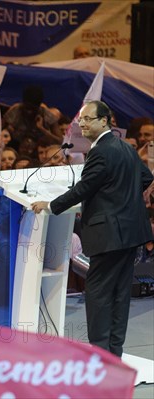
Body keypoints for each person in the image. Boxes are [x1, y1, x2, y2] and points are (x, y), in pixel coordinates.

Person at [32, 100, 153, 357]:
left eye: (87, 119)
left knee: (98, 295)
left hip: (108, 234)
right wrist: (123, 201)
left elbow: (84, 189)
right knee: (120, 295)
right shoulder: (125, 148)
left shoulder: (101, 151)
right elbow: (146, 177)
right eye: (80, 120)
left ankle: (99, 356)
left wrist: (50, 205)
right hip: (131, 233)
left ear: (104, 121)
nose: (82, 124)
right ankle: (113, 353)